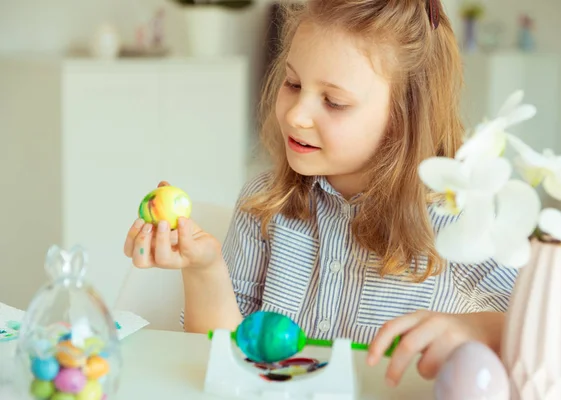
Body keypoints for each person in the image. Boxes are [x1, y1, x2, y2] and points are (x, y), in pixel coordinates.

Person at [123, 0, 516, 387]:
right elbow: (223, 357)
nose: (296, 114)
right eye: (293, 83)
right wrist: (203, 269)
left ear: (403, 118)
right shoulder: (265, 204)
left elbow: (548, 332)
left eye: (334, 101)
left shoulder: (457, 218)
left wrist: (480, 326)